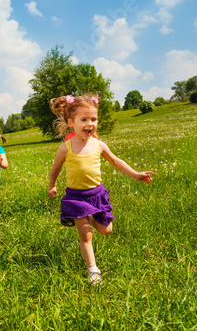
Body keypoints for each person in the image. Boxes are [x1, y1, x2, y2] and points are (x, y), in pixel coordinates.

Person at [47, 94, 154, 285]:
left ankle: (90, 215)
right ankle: (93, 269)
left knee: (106, 230)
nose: (90, 123)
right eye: (84, 119)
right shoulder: (66, 148)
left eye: (94, 119)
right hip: (76, 197)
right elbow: (55, 169)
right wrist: (52, 185)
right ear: (71, 122)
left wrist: (135, 174)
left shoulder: (99, 145)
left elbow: (116, 161)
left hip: (96, 195)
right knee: (86, 235)